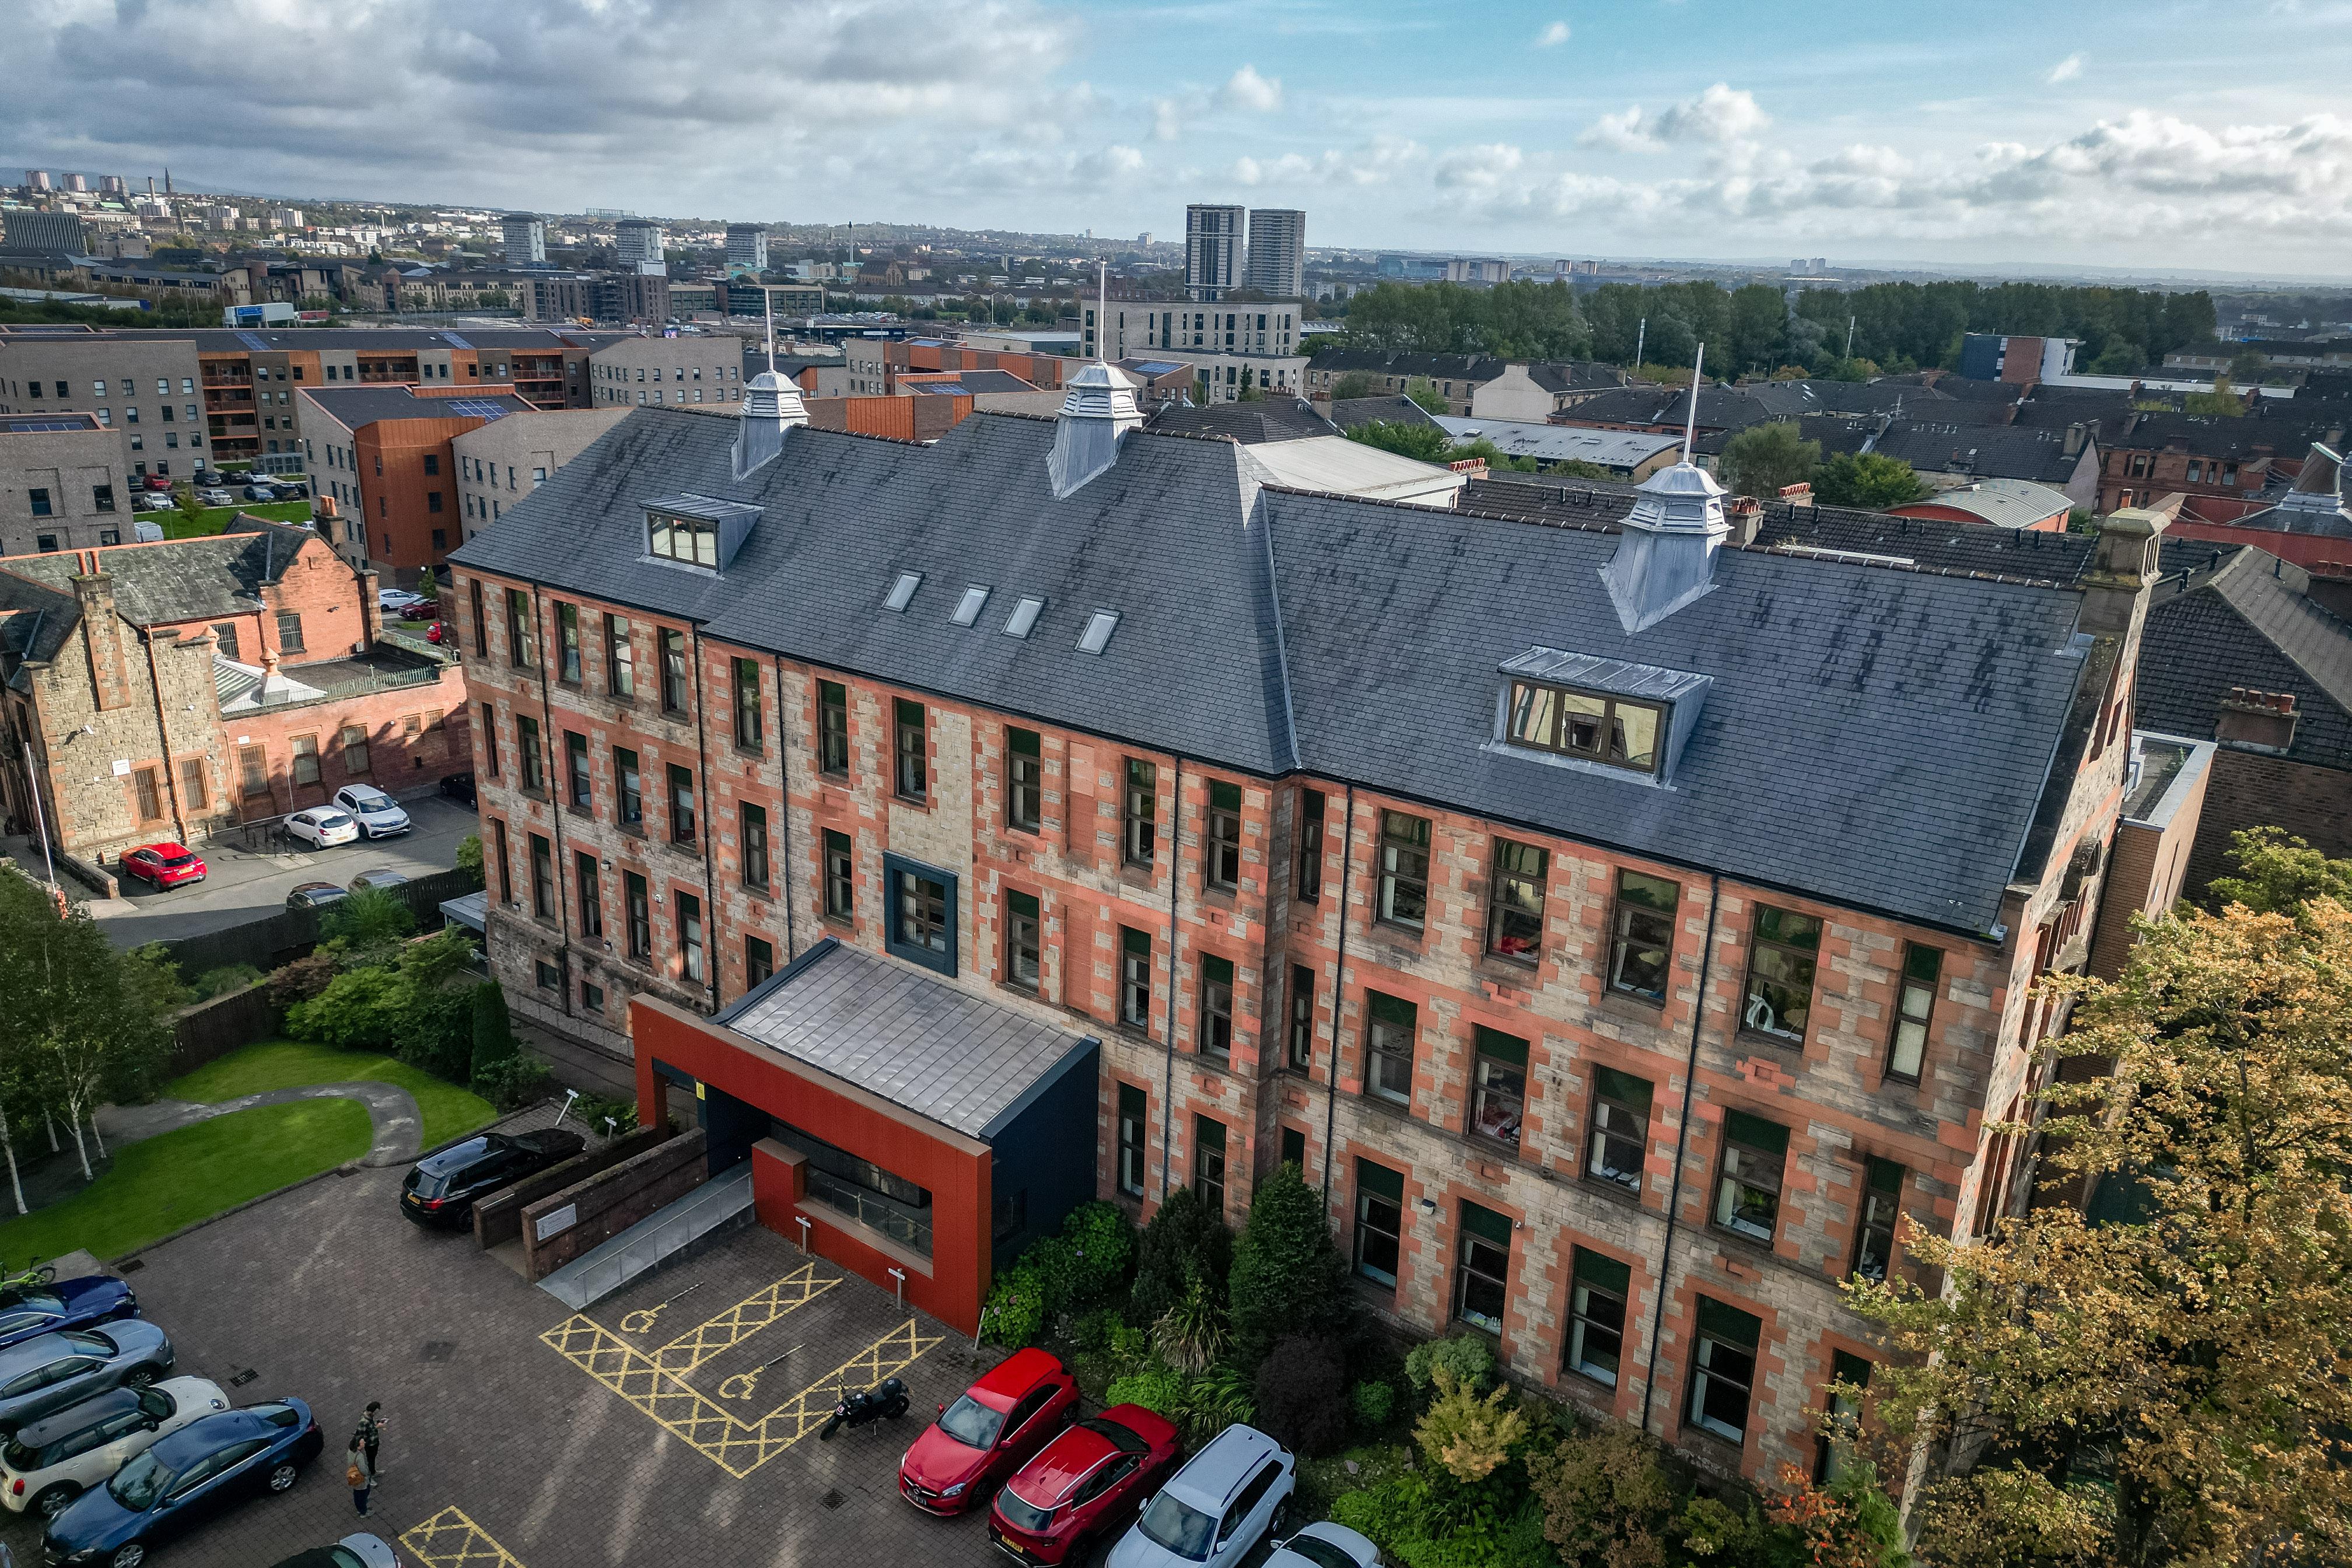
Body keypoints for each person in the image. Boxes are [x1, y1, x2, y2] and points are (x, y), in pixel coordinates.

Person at [356, 1401, 386, 1476]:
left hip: (375, 1441)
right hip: (370, 1444)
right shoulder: (363, 1421)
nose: (375, 1414)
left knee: (373, 1458)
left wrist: (380, 1423)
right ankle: (371, 1474)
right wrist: (376, 1427)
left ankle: (373, 1471)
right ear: (371, 1412)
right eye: (375, 1413)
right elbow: (362, 1435)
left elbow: (373, 1424)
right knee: (371, 1459)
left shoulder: (371, 1417)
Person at [346, 1436, 373, 1517]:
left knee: (357, 1494)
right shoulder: (360, 1456)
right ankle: (364, 1512)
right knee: (363, 1494)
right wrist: (368, 1473)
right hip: (361, 1479)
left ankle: (360, 1508)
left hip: (354, 1476)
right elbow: (364, 1470)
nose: (364, 1442)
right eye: (362, 1442)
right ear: (358, 1445)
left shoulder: (350, 1451)